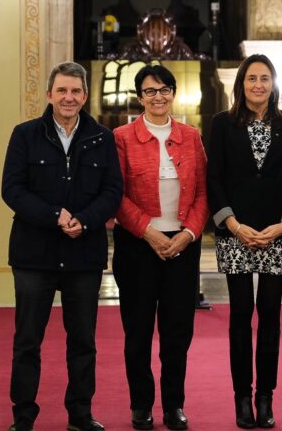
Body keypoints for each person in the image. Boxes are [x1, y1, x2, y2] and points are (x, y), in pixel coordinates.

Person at [1, 61, 123, 431]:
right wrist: (56, 215)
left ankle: (80, 414)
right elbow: (12, 189)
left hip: (83, 254)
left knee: (83, 341)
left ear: (85, 96)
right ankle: (23, 417)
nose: (69, 98)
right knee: (27, 342)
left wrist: (83, 220)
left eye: (76, 91)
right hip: (34, 255)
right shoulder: (24, 135)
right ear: (50, 94)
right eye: (62, 91)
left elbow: (113, 191)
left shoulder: (103, 137)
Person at [206, 54, 282, 429]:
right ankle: (242, 399)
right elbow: (213, 178)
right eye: (252, 78)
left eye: (265, 78)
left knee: (270, 316)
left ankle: (266, 398)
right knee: (239, 316)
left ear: (273, 84)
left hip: (276, 233)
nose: (258, 85)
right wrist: (232, 223)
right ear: (241, 84)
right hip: (236, 232)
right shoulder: (221, 124)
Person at [112, 64, 208, 431]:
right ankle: (141, 404)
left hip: (183, 245)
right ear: (140, 97)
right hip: (138, 247)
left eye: (164, 89)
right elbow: (115, 194)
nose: (158, 97)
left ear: (173, 93)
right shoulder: (121, 137)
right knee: (137, 331)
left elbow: (202, 193)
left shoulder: (191, 136)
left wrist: (188, 234)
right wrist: (148, 232)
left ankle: (174, 405)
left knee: (177, 332)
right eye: (150, 91)